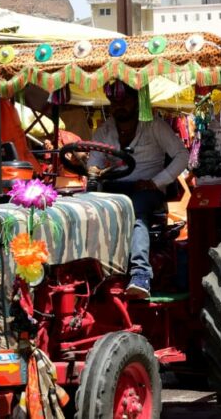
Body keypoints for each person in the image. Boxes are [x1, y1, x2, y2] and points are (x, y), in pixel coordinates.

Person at [88, 82, 188, 299]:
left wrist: (156, 182)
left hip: (147, 191)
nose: (119, 106)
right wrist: (92, 170)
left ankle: (140, 274)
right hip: (113, 189)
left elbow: (182, 156)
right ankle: (89, 272)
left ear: (137, 101)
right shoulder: (104, 130)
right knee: (86, 209)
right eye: (114, 102)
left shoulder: (154, 126)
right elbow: (94, 162)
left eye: (124, 100)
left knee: (133, 209)